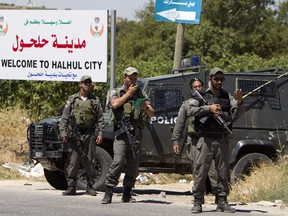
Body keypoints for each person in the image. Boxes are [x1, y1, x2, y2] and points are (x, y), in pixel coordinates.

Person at [188, 67, 245, 214]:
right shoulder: (200, 95)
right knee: (201, 171)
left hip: (221, 138)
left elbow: (238, 113)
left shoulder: (227, 96)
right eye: (216, 79)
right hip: (205, 138)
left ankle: (222, 201)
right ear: (210, 79)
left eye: (221, 79)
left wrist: (239, 102)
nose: (219, 82)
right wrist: (209, 108)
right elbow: (190, 111)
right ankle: (198, 201)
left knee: (223, 171)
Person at [101, 66, 154, 204]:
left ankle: (127, 193)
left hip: (136, 134)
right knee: (117, 161)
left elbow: (152, 113)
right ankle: (108, 192)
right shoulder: (116, 91)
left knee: (134, 165)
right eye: (130, 78)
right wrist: (129, 94)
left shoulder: (141, 93)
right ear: (125, 77)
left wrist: (145, 107)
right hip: (121, 133)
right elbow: (115, 104)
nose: (133, 80)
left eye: (135, 78)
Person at [171, 77, 218, 202]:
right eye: (195, 87)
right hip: (194, 140)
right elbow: (180, 124)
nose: (198, 89)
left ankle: (219, 196)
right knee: (197, 168)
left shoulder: (209, 103)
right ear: (191, 89)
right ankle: (199, 196)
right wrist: (175, 140)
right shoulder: (187, 104)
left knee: (212, 169)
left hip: (208, 139)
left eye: (199, 86)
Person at [59, 75, 104, 196]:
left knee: (90, 160)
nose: (87, 84)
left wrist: (100, 132)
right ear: (80, 84)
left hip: (89, 134)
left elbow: (100, 118)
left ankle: (90, 186)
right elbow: (65, 118)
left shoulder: (95, 100)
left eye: (89, 82)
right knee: (73, 161)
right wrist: (63, 132)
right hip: (75, 134)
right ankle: (71, 186)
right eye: (85, 82)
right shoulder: (73, 99)